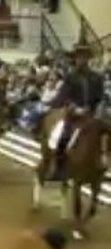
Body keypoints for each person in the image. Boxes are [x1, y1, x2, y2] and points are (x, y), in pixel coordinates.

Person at [47, 42, 105, 180]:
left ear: (88, 59)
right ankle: (59, 167)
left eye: (84, 57)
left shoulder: (96, 77)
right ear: (75, 59)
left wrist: (99, 108)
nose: (82, 60)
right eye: (79, 57)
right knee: (64, 136)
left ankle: (103, 163)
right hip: (74, 114)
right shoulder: (70, 77)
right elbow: (64, 97)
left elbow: (100, 97)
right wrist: (75, 108)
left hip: (92, 113)